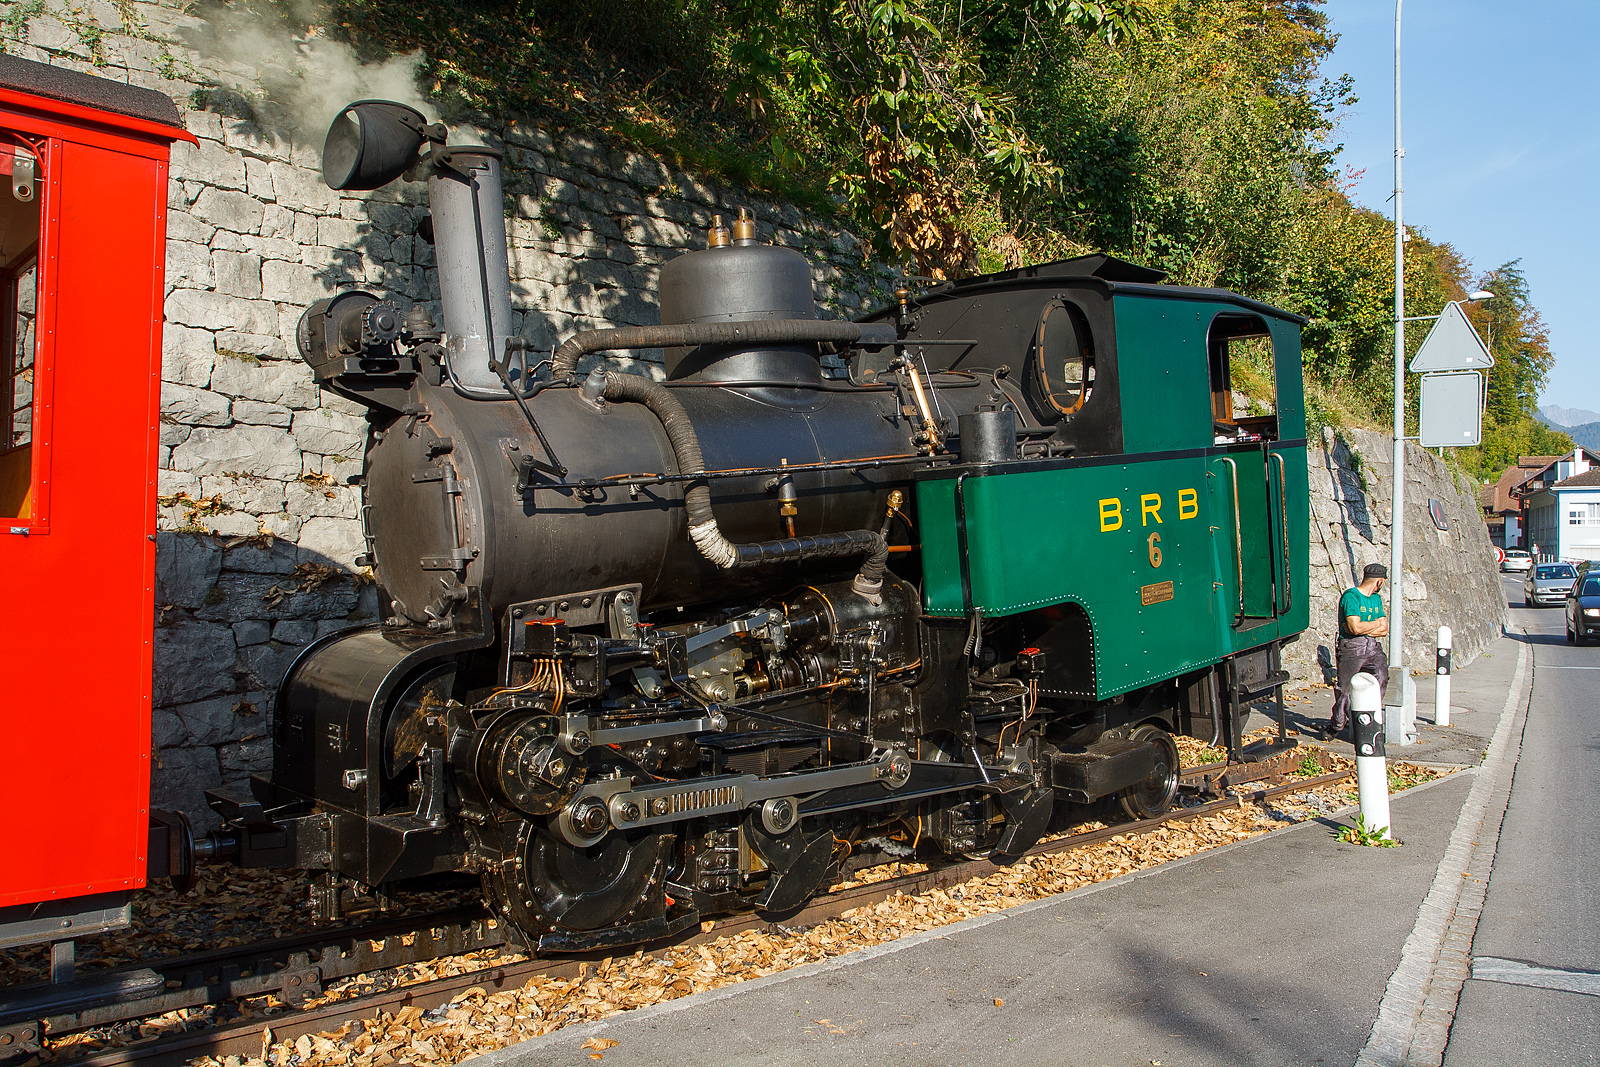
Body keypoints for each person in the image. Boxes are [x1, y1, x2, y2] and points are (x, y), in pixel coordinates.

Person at [1323, 563, 1390, 742]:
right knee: (1345, 689)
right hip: (1352, 647)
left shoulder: (1376, 599)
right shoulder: (1351, 597)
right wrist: (1375, 624)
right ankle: (1336, 725)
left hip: (1372, 646)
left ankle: (1367, 717)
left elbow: (1384, 629)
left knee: (1381, 676)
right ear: (1379, 581)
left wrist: (1365, 628)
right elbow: (1353, 627)